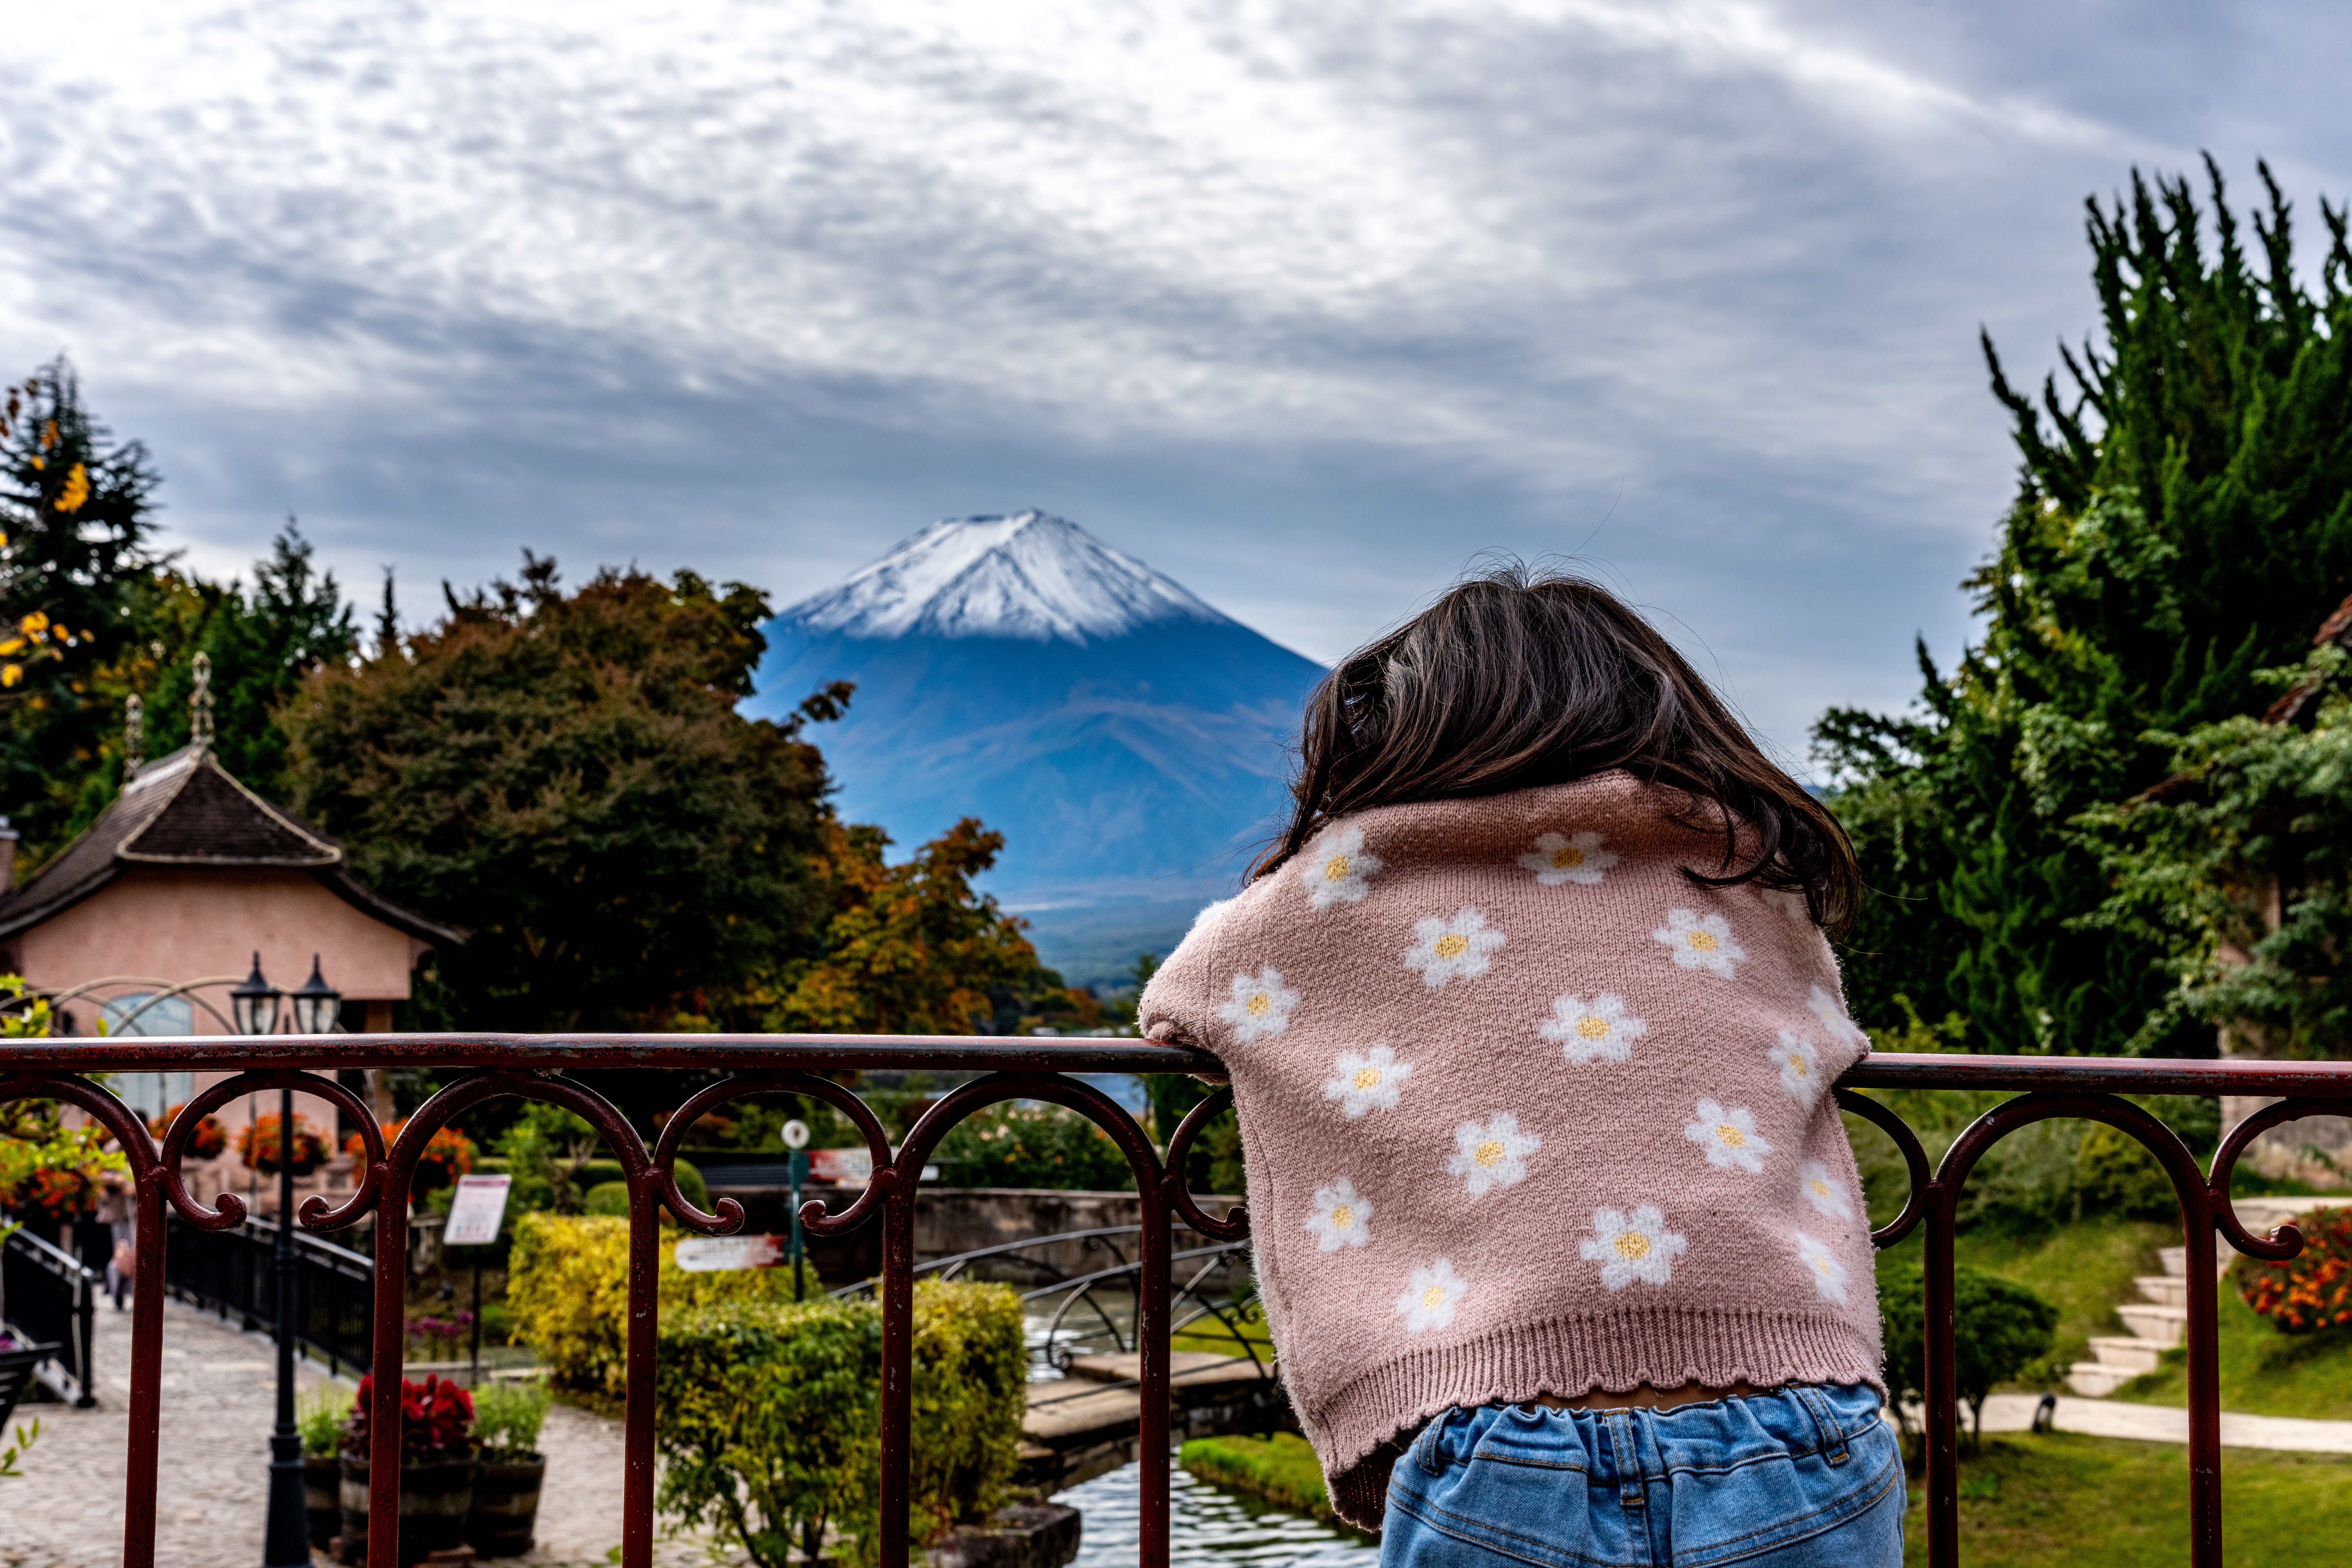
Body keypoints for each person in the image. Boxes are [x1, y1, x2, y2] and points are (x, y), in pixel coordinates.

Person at [1138, 566, 1900, 1566]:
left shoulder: (1343, 886)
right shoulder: (1745, 871)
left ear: (1412, 730)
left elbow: (1181, 1003)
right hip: (1803, 1426)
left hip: (1509, 1446)